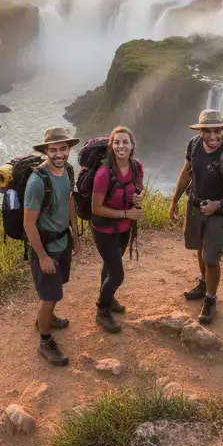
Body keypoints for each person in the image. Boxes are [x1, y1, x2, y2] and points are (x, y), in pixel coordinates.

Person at [168, 109, 223, 325]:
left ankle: (211, 299)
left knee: (211, 259)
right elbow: (187, 172)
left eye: (217, 131)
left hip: (218, 212)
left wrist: (218, 205)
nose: (213, 137)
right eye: (207, 131)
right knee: (199, 249)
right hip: (195, 205)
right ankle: (204, 284)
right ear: (201, 131)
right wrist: (174, 200)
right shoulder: (194, 144)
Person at [24, 126, 79, 366]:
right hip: (48, 248)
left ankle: (46, 319)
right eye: (53, 149)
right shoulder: (37, 182)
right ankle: (45, 340)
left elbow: (68, 200)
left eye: (63, 148)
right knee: (49, 295)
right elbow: (28, 224)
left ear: (69, 149)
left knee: (55, 291)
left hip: (62, 239)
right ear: (46, 150)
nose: (59, 154)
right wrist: (43, 257)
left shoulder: (67, 169)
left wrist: (75, 233)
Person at [90, 125, 145, 333]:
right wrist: (125, 214)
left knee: (110, 266)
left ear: (132, 146)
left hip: (124, 228)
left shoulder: (137, 166)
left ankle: (109, 298)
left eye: (125, 142)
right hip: (103, 229)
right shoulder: (104, 174)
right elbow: (96, 208)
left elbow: (139, 187)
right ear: (111, 147)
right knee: (117, 274)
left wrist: (140, 197)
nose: (121, 146)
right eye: (117, 142)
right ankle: (102, 310)